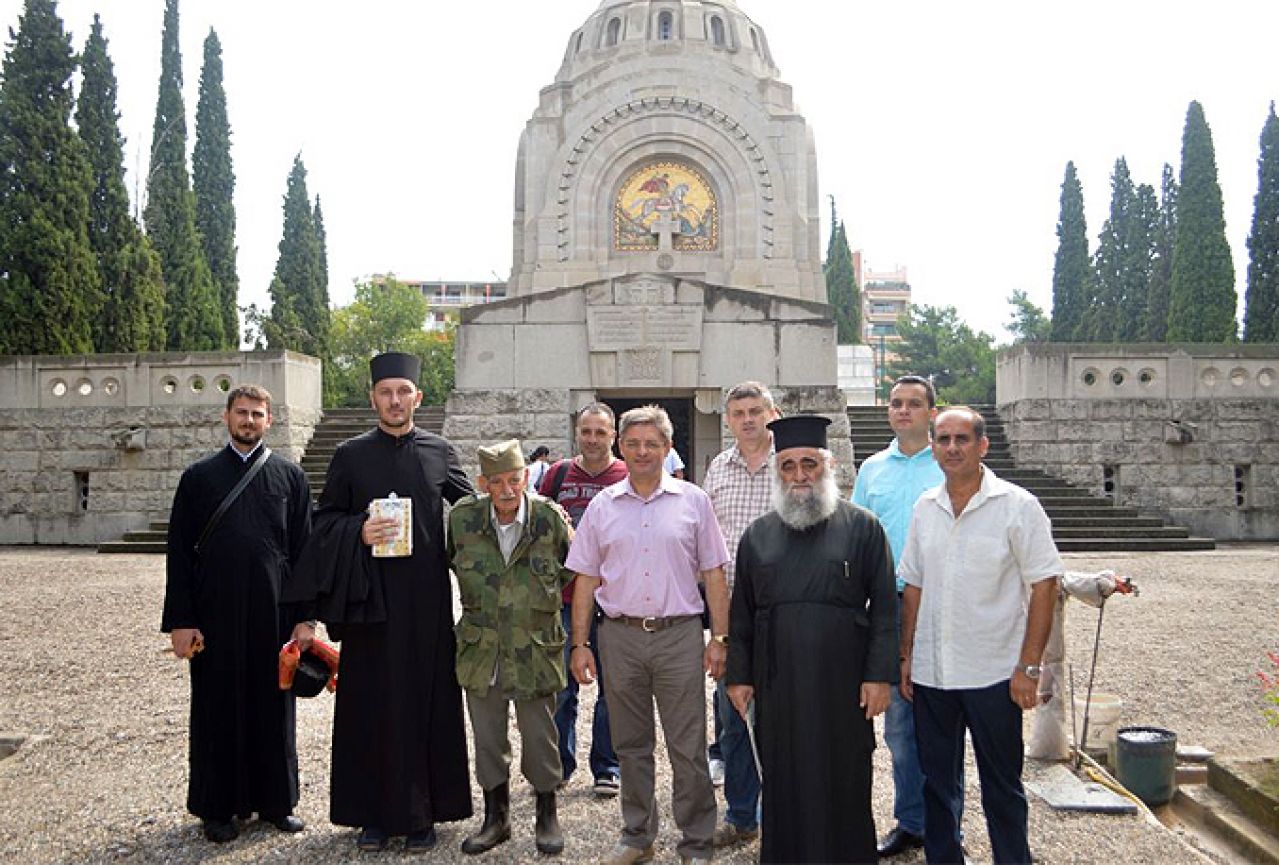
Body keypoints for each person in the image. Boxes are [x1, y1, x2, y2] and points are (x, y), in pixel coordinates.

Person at [286, 352, 474, 853]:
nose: (395, 400)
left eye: (402, 392)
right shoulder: (350, 454)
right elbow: (323, 525)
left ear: (418, 397)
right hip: (370, 604)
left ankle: (423, 812)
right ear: (373, 398)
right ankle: (372, 813)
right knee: (370, 705)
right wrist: (358, 530)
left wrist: (533, 510)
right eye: (385, 392)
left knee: (425, 703)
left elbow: (476, 507)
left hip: (426, 605)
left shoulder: (439, 450)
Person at [725, 415, 898, 864]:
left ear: (828, 465)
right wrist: (739, 677)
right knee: (784, 776)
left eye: (809, 464)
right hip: (777, 681)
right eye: (788, 466)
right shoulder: (757, 536)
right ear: (777, 471)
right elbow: (740, 613)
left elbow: (883, 608)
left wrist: (879, 676)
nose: (799, 476)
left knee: (845, 774)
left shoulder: (864, 528)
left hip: (842, 683)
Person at [898, 406, 1062, 865]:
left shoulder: (1018, 506)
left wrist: (1029, 666)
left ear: (982, 445)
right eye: (943, 439)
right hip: (933, 674)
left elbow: (1044, 583)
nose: (952, 448)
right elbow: (913, 584)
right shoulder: (925, 507)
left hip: (994, 673)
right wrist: (906, 654)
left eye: (962, 439)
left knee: (1002, 788)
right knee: (936, 785)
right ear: (932, 447)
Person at [567, 405, 730, 865]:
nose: (642, 452)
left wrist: (721, 638)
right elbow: (584, 580)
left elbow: (714, 574)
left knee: (688, 745)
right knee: (631, 745)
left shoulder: (693, 501)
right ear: (622, 447)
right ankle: (638, 835)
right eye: (634, 443)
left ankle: (697, 842)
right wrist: (580, 644)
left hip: (678, 636)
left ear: (667, 448)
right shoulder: (602, 506)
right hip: (618, 637)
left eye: (651, 444)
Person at [161, 384, 314, 843]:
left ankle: (276, 802)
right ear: (226, 417)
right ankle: (217, 806)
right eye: (242, 413)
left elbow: (305, 553)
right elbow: (179, 554)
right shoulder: (198, 477)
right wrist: (181, 621)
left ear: (270, 421)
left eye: (258, 414)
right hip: (215, 616)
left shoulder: (290, 478)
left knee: (275, 708)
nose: (249, 421)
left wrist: (306, 619)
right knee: (216, 708)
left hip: (274, 615)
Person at [448, 439, 574, 856]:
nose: (507, 490)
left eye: (515, 480)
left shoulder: (549, 519)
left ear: (526, 478)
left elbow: (571, 569)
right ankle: (495, 817)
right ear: (483, 482)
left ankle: (546, 813)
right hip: (482, 651)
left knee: (541, 737)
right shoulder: (463, 521)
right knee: (487, 738)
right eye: (497, 482)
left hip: (534, 649)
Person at [850, 374, 944, 859]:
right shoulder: (872, 470)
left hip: (944, 610)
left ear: (932, 412)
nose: (903, 411)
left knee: (946, 728)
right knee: (901, 731)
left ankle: (948, 830)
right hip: (890, 609)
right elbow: (857, 538)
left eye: (913, 404)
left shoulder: (951, 464)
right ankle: (912, 822)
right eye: (895, 404)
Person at [700, 381, 780, 848]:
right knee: (733, 717)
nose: (747, 420)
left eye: (755, 411)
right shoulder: (718, 468)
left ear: (772, 412)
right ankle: (742, 814)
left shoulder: (793, 461)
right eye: (738, 413)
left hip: (783, 612)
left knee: (783, 718)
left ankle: (785, 812)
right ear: (727, 420)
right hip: (730, 615)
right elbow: (707, 541)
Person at [538, 403, 627, 798]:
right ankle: (559, 763)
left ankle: (607, 766)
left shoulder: (627, 475)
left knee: (615, 689)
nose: (592, 439)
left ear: (614, 437)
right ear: (576, 432)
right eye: (586, 431)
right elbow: (535, 526)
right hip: (563, 598)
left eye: (600, 432)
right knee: (560, 688)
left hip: (613, 602)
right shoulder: (558, 475)